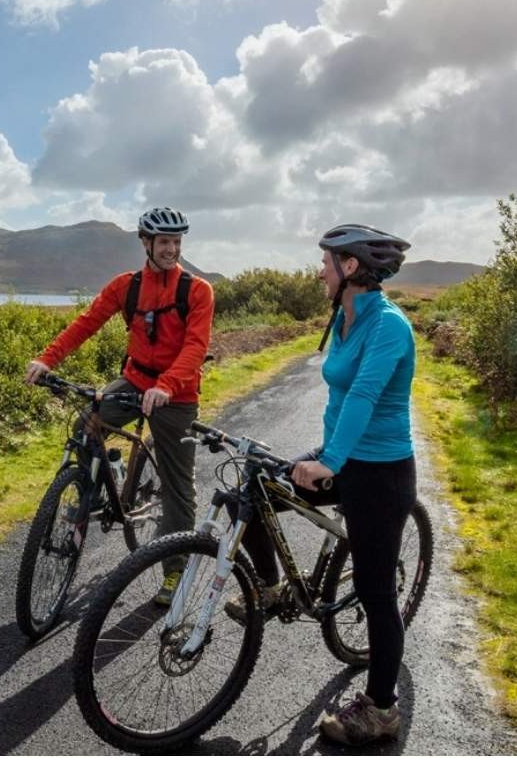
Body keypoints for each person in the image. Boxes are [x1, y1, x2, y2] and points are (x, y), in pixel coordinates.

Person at [226, 223, 415, 746]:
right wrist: (325, 456)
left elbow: (364, 397)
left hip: (380, 472)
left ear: (349, 267)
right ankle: (270, 586)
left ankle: (381, 709)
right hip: (342, 458)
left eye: (325, 262)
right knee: (253, 486)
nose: (318, 271)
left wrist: (329, 459)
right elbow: (337, 396)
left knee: (378, 594)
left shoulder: (389, 327)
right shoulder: (345, 317)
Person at [24, 206, 214, 606]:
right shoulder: (126, 286)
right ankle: (93, 485)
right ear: (146, 243)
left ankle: (175, 569)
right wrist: (47, 359)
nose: (172, 249)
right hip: (135, 380)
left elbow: (196, 347)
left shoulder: (197, 290)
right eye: (164, 242)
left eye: (177, 242)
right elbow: (86, 323)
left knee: (179, 488)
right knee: (87, 423)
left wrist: (165, 386)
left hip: (175, 394)